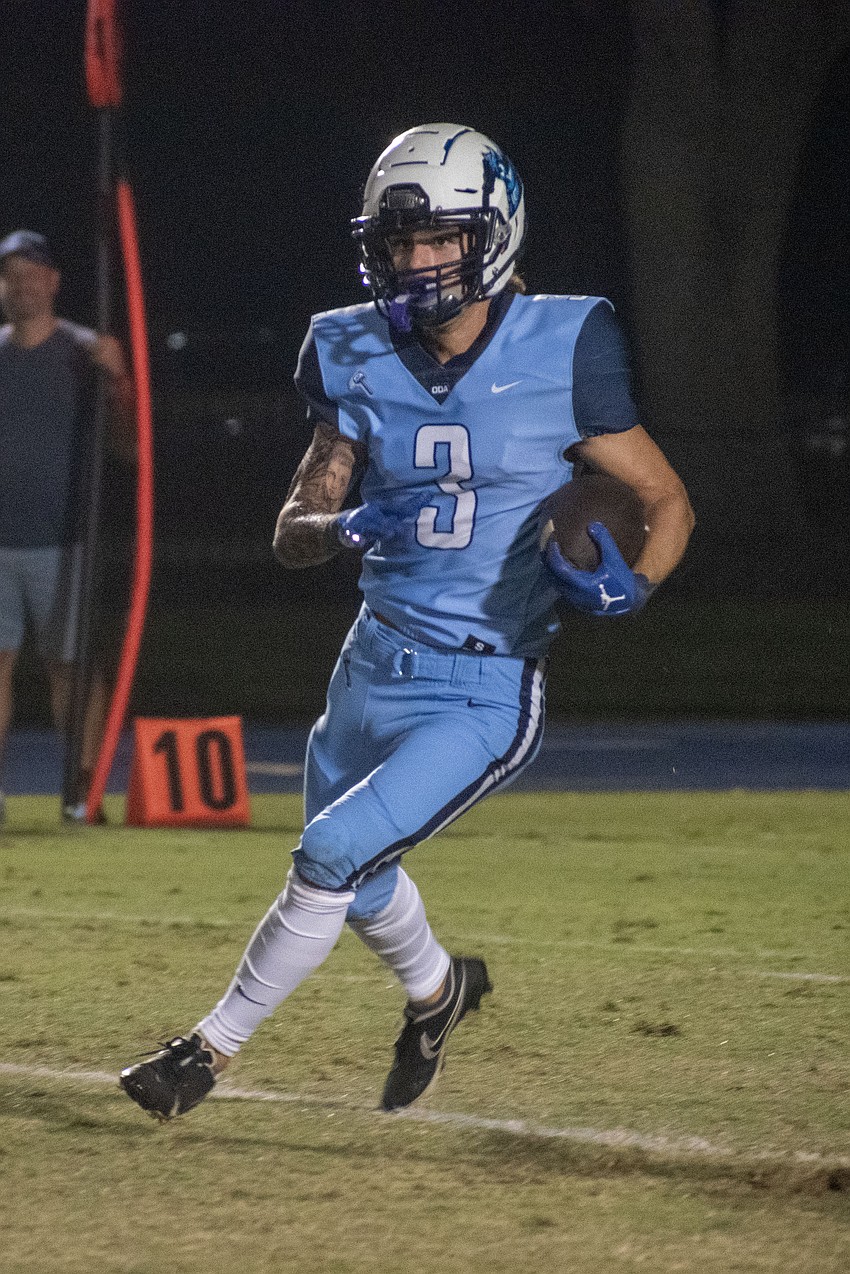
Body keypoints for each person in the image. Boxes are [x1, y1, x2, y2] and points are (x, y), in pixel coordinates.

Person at [120, 123, 694, 1120]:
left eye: (439, 239)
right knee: (360, 871)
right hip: (370, 660)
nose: (417, 261)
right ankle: (439, 993)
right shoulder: (344, 347)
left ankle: (204, 1052)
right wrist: (343, 521)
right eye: (397, 243)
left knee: (330, 857)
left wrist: (633, 582)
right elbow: (292, 531)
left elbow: (668, 499)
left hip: (483, 680)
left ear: (493, 233)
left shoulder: (564, 342)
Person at [0, 230, 135, 825]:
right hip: (0, 541)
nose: (19, 284)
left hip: (65, 539)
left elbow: (129, 444)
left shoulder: (85, 351)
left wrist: (118, 379)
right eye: (10, 274)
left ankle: (83, 791)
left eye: (30, 272)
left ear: (53, 280)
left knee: (71, 669)